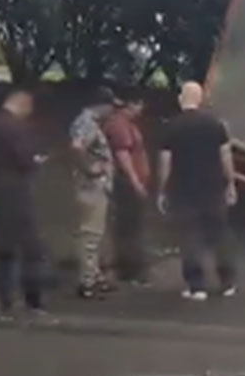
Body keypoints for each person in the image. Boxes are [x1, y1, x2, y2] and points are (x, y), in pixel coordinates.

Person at [0, 86, 54, 324]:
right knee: (30, 248)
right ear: (23, 103)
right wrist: (38, 160)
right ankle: (33, 302)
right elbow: (26, 159)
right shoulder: (18, 128)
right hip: (17, 191)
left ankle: (5, 301)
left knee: (4, 248)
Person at [158, 81, 238, 300]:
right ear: (201, 99)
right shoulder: (216, 125)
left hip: (183, 191)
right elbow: (226, 157)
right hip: (213, 189)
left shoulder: (172, 126)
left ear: (181, 99)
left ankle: (196, 286)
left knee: (189, 237)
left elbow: (166, 162)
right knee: (219, 235)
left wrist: (163, 190)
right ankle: (227, 282)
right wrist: (230, 184)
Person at [70, 86, 117, 299]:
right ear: (101, 105)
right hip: (91, 186)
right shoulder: (87, 123)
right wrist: (90, 169)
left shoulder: (87, 122)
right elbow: (77, 148)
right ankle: (87, 281)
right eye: (110, 106)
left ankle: (94, 275)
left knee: (95, 234)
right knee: (90, 234)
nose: (111, 110)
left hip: (95, 186)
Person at [102, 93, 151, 285]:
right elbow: (123, 155)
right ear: (131, 104)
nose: (142, 110)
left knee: (129, 226)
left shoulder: (124, 123)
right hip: (127, 183)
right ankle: (131, 268)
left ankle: (129, 266)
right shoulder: (120, 125)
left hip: (129, 181)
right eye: (140, 105)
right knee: (131, 226)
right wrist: (136, 182)